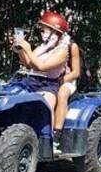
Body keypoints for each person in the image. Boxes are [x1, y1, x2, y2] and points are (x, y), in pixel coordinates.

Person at [12, 11, 71, 150]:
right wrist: (20, 50)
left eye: (45, 29)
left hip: (48, 84)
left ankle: (49, 141)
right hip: (30, 81)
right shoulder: (43, 46)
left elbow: (41, 66)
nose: (42, 32)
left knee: (44, 105)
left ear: (54, 32)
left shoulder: (62, 52)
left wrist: (28, 48)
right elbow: (28, 64)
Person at [54, 37, 81, 135]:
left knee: (62, 94)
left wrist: (60, 81)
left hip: (66, 81)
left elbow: (76, 72)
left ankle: (57, 132)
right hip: (47, 80)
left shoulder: (72, 46)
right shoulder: (45, 45)